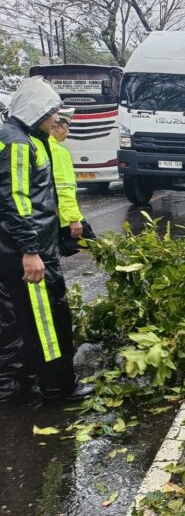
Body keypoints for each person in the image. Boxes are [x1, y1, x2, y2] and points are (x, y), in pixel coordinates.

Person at [0, 77, 93, 402]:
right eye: (52, 111)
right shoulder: (17, 143)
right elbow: (16, 199)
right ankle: (58, 387)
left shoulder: (24, 138)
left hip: (35, 247)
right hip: (31, 252)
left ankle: (25, 382)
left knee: (31, 317)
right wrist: (30, 251)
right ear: (35, 109)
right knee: (47, 319)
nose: (57, 118)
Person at [48, 108, 95, 256]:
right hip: (60, 217)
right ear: (56, 127)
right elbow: (63, 187)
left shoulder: (36, 145)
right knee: (91, 243)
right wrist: (74, 219)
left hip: (42, 214)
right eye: (67, 128)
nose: (67, 133)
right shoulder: (58, 151)